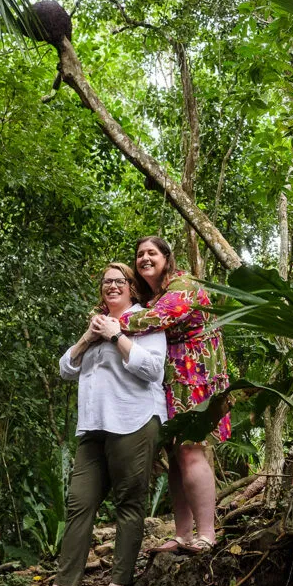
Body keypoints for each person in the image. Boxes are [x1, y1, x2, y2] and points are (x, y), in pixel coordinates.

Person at [16, 262, 167, 586]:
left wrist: (117, 335)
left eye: (119, 281)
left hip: (133, 421)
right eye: (106, 282)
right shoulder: (96, 324)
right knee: (79, 504)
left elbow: (153, 371)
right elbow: (65, 369)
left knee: (129, 504)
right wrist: (89, 336)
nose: (112, 286)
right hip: (93, 428)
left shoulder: (145, 320)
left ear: (132, 287)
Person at [92, 236, 229, 553]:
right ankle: (182, 534)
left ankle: (207, 534)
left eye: (151, 253)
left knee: (191, 451)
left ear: (167, 257)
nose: (144, 258)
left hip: (196, 376)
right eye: (139, 254)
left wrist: (111, 322)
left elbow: (158, 318)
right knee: (176, 458)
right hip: (169, 379)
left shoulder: (184, 284)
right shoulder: (153, 296)